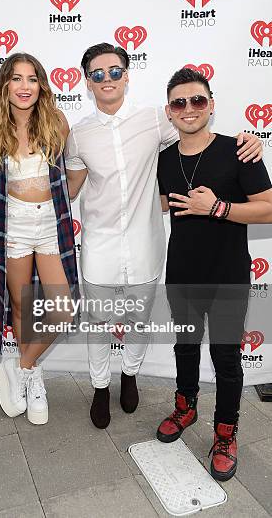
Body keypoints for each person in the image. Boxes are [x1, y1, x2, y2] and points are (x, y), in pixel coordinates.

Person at [65, 42, 263, 430]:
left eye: (115, 71)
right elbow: (69, 188)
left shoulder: (158, 120)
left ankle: (130, 375)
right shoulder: (78, 135)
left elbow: (201, 142)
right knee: (98, 321)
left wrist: (251, 141)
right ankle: (101, 386)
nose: (108, 79)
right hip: (99, 245)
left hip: (146, 243)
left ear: (127, 75)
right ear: (87, 82)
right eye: (98, 74)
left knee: (139, 319)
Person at [156, 67, 272, 481]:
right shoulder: (164, 159)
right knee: (185, 346)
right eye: (179, 103)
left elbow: (269, 208)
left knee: (226, 356)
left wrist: (219, 208)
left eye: (197, 100)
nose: (189, 109)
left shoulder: (239, 150)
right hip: (182, 273)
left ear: (211, 105)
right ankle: (185, 406)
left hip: (228, 275)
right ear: (169, 112)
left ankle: (226, 433)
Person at [0, 52, 78, 425]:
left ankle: (19, 367)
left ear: (41, 85)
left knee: (62, 310)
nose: (25, 86)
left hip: (50, 225)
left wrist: (65, 201)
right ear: (5, 84)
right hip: (13, 225)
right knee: (22, 308)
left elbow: (74, 171)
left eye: (32, 79)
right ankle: (32, 376)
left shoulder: (57, 123)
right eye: (17, 78)